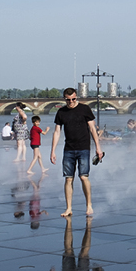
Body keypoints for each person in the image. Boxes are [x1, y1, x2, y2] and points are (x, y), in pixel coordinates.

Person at [50, 88, 104, 217]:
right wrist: (53, 151)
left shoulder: (85, 109)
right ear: (64, 99)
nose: (71, 102)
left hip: (83, 148)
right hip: (68, 148)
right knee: (68, 178)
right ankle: (68, 208)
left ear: (76, 97)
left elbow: (92, 128)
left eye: (73, 99)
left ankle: (89, 204)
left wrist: (98, 147)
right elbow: (57, 132)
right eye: (68, 100)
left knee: (83, 176)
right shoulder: (61, 112)